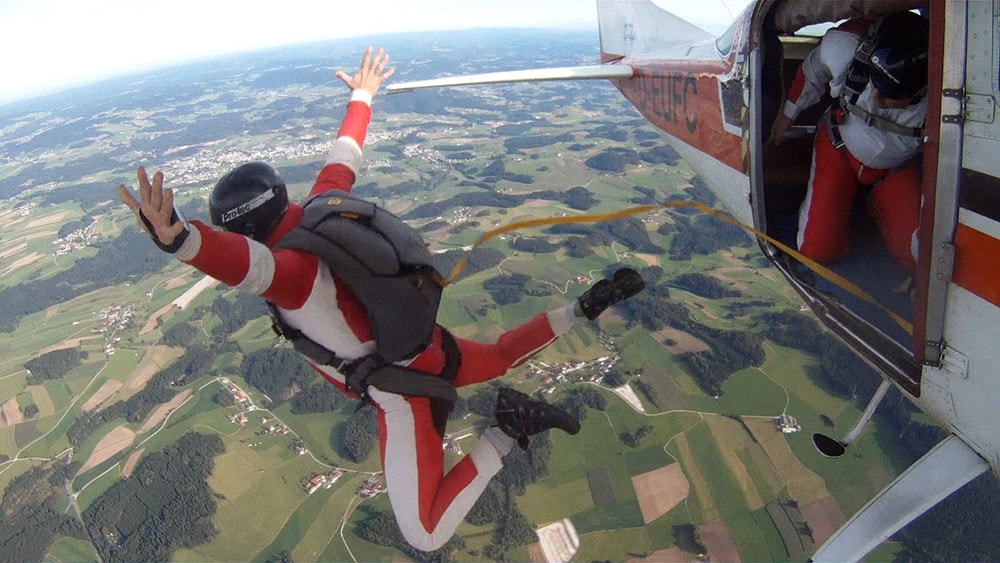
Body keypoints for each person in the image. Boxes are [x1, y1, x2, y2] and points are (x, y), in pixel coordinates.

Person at [116, 47, 645, 552]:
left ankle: (509, 430)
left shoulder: (290, 272)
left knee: (425, 532)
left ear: (248, 230)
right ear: (281, 197)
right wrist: (362, 96)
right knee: (503, 353)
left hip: (403, 391)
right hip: (432, 347)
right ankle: (582, 307)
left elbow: (245, 265)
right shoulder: (323, 205)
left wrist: (182, 240)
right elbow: (344, 156)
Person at [770, 11, 929, 273]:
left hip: (894, 168)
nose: (877, 98)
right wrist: (787, 114)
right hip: (840, 147)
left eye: (890, 96)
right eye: (874, 84)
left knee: (920, 262)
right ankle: (861, 206)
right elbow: (812, 71)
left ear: (922, 91)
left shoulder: (949, 85)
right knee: (817, 252)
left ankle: (871, 205)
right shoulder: (844, 47)